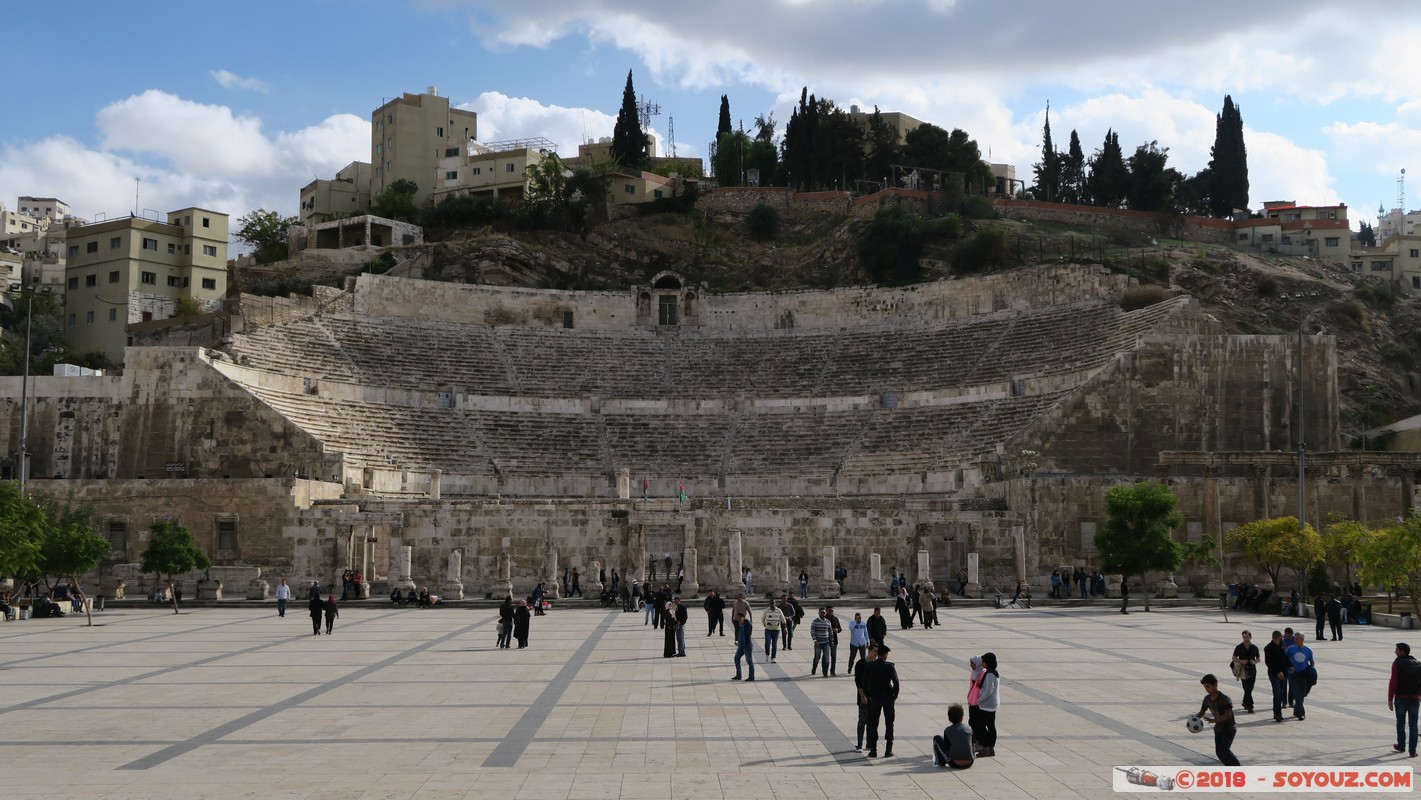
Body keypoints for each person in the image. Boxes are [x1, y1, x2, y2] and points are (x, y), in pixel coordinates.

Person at [863, 643, 899, 758]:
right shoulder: (889, 666)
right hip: (888, 698)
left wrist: (868, 695)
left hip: (875, 698)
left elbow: (864, 682)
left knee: (874, 723)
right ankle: (888, 750)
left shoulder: (870, 666)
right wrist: (895, 695)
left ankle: (873, 750)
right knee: (889, 723)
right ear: (885, 655)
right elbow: (896, 683)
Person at [1196, 673, 1241, 766]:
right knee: (1219, 752)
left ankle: (1238, 767)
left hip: (1229, 729)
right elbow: (1202, 712)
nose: (1207, 689)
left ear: (1215, 685)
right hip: (1218, 729)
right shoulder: (1207, 699)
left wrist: (1213, 720)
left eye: (1208, 686)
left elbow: (1227, 715)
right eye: (1205, 687)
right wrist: (1194, 718)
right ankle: (1230, 768)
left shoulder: (1225, 699)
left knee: (1224, 750)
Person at [1389, 642, 1421, 757]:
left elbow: (1393, 682)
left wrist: (1390, 698)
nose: (1395, 651)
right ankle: (1412, 750)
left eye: (1396, 649)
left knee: (1400, 722)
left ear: (1402, 651)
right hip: (1415, 698)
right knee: (1413, 724)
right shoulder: (1418, 664)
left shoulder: (1397, 664)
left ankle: (1401, 745)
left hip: (1401, 697)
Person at [972, 652, 1000, 757]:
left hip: (986, 705)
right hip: (993, 704)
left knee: (981, 726)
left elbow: (988, 691)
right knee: (991, 726)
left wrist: (980, 700)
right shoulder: (995, 673)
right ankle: (991, 748)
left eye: (983, 662)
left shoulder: (989, 675)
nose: (982, 663)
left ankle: (985, 748)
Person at [933, 703, 975, 769]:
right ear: (962, 718)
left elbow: (947, 747)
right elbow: (973, 745)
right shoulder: (969, 728)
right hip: (970, 762)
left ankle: (940, 762)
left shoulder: (948, 730)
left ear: (949, 719)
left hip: (954, 763)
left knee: (937, 738)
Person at [853, 640, 878, 751]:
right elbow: (858, 681)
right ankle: (859, 744)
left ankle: (869, 743)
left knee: (872, 722)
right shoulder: (861, 663)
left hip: (874, 697)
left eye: (877, 652)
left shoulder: (876, 664)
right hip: (864, 697)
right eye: (875, 651)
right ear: (869, 650)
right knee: (862, 720)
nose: (876, 654)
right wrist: (862, 696)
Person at [1286, 631, 1315, 720]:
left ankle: (1296, 711)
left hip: (1304, 675)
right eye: (1294, 638)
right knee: (1297, 693)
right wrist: (1288, 668)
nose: (1295, 640)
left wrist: (1311, 669)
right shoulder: (1290, 649)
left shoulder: (1308, 650)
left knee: (1302, 694)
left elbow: (1312, 662)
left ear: (1302, 639)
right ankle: (1301, 713)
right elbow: (1284, 660)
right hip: (1293, 675)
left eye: (1297, 638)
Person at [1263, 630, 1290, 723]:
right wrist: (1278, 672)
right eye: (1281, 637)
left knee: (1281, 693)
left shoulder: (1281, 646)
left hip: (1284, 673)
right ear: (1277, 637)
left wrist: (1290, 666)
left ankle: (1278, 712)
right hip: (1274, 674)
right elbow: (1269, 662)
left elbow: (1285, 658)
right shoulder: (1268, 648)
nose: (1282, 639)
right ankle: (1277, 713)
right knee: (1277, 693)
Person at [1231, 630, 1260, 713]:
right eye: (1244, 637)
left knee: (1250, 688)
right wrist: (1241, 661)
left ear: (1250, 637)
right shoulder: (1239, 647)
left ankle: (1245, 702)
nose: (1245, 639)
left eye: (1247, 637)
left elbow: (1258, 658)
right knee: (1246, 687)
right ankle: (1250, 705)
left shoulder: (1254, 647)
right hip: (1243, 669)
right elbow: (1234, 657)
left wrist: (1254, 662)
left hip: (1252, 669)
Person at [966, 655, 985, 746]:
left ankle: (980, 743)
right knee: (971, 722)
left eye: (972, 663)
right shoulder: (973, 673)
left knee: (978, 724)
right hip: (971, 702)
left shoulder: (983, 673)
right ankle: (975, 741)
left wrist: (980, 700)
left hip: (979, 703)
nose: (971, 665)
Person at [809, 607, 833, 677]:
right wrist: (815, 640)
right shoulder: (815, 621)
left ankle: (825, 673)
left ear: (825, 613)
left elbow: (830, 632)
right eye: (821, 612)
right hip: (818, 643)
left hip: (826, 643)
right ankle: (814, 667)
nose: (822, 614)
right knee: (817, 657)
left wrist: (831, 641)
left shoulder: (828, 622)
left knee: (826, 659)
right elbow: (812, 631)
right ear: (818, 613)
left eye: (824, 613)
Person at [732, 613, 755, 682]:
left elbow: (746, 634)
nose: (738, 619)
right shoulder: (741, 624)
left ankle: (751, 676)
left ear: (743, 617)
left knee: (749, 661)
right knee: (736, 658)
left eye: (739, 618)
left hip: (747, 645)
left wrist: (742, 626)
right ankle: (738, 675)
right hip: (741, 645)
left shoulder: (747, 624)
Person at [762, 598, 785, 663]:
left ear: (775, 604)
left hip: (776, 630)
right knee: (767, 643)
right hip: (768, 630)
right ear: (769, 604)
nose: (772, 604)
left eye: (774, 603)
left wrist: (785, 628)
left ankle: (773, 657)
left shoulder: (779, 611)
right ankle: (767, 654)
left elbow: (783, 620)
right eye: (771, 603)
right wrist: (765, 624)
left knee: (774, 644)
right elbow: (762, 619)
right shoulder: (766, 610)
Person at [825, 606, 843, 676]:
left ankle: (832, 671)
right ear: (826, 611)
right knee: (826, 657)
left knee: (834, 656)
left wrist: (837, 630)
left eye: (832, 611)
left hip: (834, 640)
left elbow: (840, 628)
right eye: (829, 611)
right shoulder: (824, 619)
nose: (831, 612)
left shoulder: (835, 619)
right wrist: (831, 629)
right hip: (825, 640)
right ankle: (825, 671)